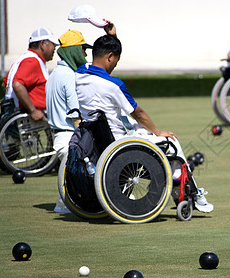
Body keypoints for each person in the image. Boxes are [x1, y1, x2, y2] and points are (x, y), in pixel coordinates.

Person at [75, 34, 214, 213]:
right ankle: (189, 194)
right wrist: (157, 131)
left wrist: (112, 35)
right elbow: (139, 113)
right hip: (118, 141)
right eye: (116, 60)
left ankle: (184, 190)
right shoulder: (112, 84)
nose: (115, 65)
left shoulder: (80, 73)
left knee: (140, 128)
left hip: (95, 137)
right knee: (171, 142)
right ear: (110, 56)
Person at [45, 22, 117, 213]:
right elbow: (75, 112)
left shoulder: (54, 74)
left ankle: (63, 204)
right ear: (75, 51)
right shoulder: (69, 76)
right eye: (83, 50)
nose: (85, 55)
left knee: (67, 191)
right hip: (70, 137)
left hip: (57, 135)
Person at [3, 27, 58, 121]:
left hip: (13, 110)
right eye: (53, 45)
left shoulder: (24, 58)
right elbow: (17, 85)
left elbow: (4, 85)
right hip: (21, 115)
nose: (55, 49)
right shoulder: (32, 61)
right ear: (42, 44)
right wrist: (32, 110)